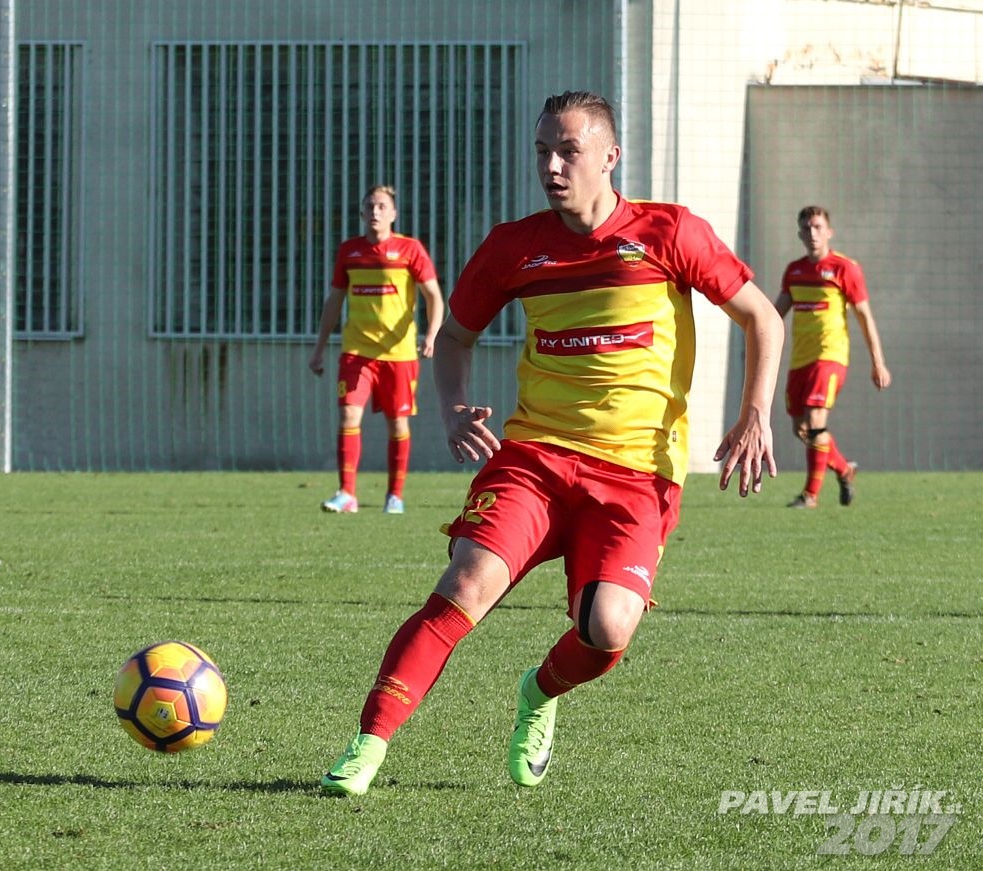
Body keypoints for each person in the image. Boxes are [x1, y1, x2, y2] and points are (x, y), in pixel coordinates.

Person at [320, 91, 783, 796]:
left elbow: (761, 318)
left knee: (607, 628)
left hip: (636, 476)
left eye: (568, 151)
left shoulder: (670, 232)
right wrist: (451, 408)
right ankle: (368, 743)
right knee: (465, 584)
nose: (552, 167)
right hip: (535, 459)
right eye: (542, 151)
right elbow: (456, 337)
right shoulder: (515, 245)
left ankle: (538, 692)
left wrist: (754, 411)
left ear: (610, 156)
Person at [308, 185, 444, 514]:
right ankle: (346, 494)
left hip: (399, 353)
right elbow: (334, 301)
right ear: (361, 212)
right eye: (370, 206)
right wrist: (319, 347)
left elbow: (434, 297)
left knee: (397, 424)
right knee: (348, 414)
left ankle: (394, 496)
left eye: (382, 206)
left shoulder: (410, 249)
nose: (375, 211)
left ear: (393, 214)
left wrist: (432, 334)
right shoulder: (350, 251)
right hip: (357, 351)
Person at [774, 206, 890, 509]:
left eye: (817, 227)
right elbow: (776, 314)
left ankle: (809, 496)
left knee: (815, 422)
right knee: (802, 429)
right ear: (800, 233)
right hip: (800, 359)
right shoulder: (794, 270)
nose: (812, 233)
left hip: (830, 357)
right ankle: (844, 469)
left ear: (829, 232)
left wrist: (878, 362)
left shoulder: (844, 268)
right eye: (806, 228)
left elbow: (864, 316)